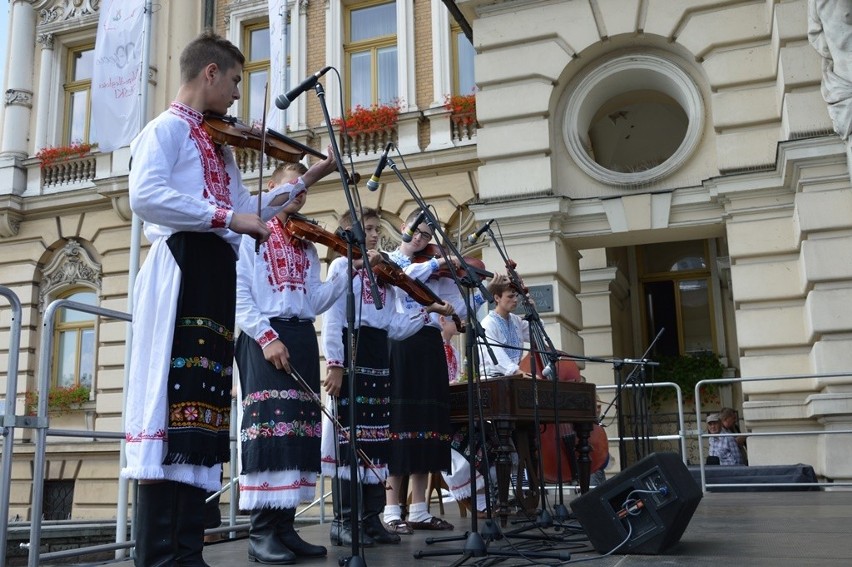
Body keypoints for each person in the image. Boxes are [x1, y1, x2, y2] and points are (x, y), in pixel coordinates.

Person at [122, 31, 317, 567]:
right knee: (171, 397)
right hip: (182, 266)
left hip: (211, 272)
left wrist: (301, 182)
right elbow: (147, 195)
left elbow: (249, 204)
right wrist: (227, 217)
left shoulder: (215, 145)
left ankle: (187, 549)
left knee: (202, 408)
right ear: (210, 73)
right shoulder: (166, 130)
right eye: (234, 81)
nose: (236, 95)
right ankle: (161, 553)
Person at [321, 208, 454, 547]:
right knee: (351, 440)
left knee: (377, 441)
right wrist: (335, 363)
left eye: (377, 229)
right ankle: (345, 520)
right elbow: (334, 320)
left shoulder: (383, 277)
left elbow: (394, 326)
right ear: (348, 233)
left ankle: (371, 517)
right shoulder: (341, 267)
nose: (374, 234)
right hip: (353, 352)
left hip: (379, 355)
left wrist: (427, 310)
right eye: (367, 229)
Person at [234, 160, 340, 564]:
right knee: (270, 428)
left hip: (298, 332)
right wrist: (266, 337)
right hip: (264, 334)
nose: (300, 191)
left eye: (305, 187)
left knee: (298, 430)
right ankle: (261, 532)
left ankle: (285, 527)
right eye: (292, 184)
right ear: (274, 187)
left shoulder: (306, 242)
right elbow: (240, 294)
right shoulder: (252, 232)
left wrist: (345, 274)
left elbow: (313, 300)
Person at [383, 209, 467, 534]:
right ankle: (392, 509)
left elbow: (457, 310)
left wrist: (457, 284)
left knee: (427, 427)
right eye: (417, 232)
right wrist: (435, 263)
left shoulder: (437, 272)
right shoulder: (392, 260)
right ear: (404, 228)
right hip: (401, 345)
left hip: (430, 345)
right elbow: (402, 277)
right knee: (400, 425)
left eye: (428, 236)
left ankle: (419, 509)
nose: (421, 239)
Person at [439, 313, 495, 519]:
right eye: (455, 319)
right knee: (467, 440)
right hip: (442, 417)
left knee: (490, 435)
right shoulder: (434, 348)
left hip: (457, 413)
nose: (460, 323)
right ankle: (474, 496)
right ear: (441, 321)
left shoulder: (453, 349)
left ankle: (489, 494)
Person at [478, 275, 530, 378]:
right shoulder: (488, 323)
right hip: (494, 380)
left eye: (516, 296)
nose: (515, 300)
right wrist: (518, 372)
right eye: (510, 296)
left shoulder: (516, 320)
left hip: (514, 377)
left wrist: (533, 311)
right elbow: (496, 356)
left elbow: (535, 334)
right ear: (497, 298)